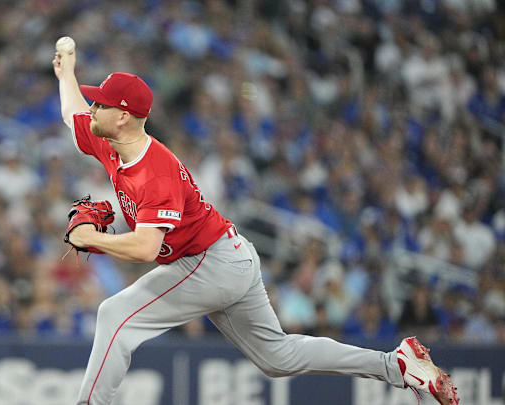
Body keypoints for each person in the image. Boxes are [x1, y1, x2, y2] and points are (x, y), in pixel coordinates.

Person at [52, 46, 459, 405]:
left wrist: (90, 238)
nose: (93, 109)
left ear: (123, 117)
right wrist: (66, 73)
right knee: (278, 358)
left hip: (209, 262)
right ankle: (398, 365)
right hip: (228, 256)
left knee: (115, 315)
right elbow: (73, 117)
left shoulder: (155, 172)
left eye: (101, 105)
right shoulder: (111, 142)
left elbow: (144, 248)